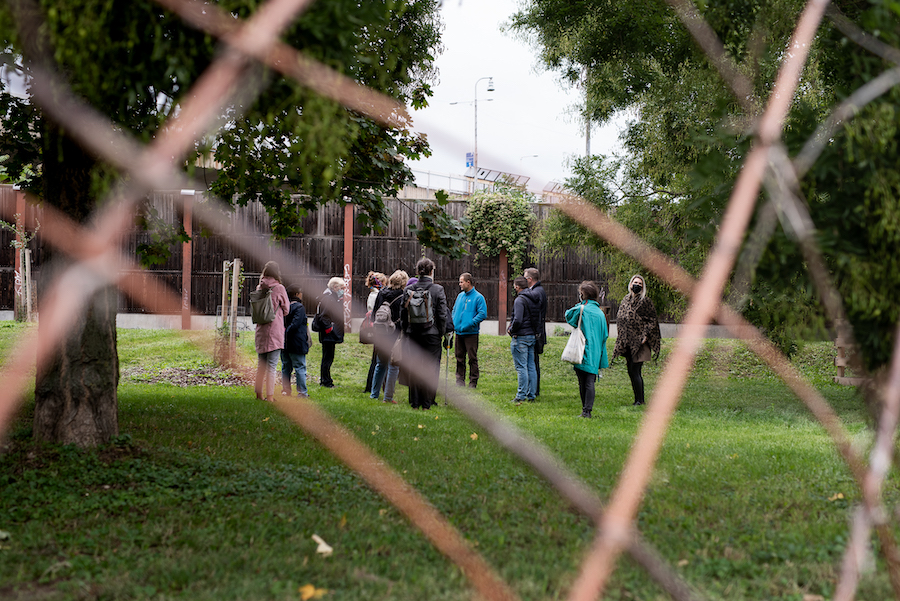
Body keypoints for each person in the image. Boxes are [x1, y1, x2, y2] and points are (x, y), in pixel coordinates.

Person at [400, 258, 452, 409]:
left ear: (417, 272)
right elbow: (442, 315)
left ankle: (415, 403)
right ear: (431, 271)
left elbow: (402, 313)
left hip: (413, 333)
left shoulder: (408, 290)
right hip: (432, 334)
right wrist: (440, 333)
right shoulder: (438, 290)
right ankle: (427, 403)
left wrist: (406, 330)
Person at [612, 274, 661, 406]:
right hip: (627, 341)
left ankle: (640, 400)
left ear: (643, 287)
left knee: (636, 370)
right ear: (630, 284)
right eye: (635, 283)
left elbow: (652, 320)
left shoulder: (645, 301)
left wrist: (645, 335)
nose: (637, 285)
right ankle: (637, 399)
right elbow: (621, 316)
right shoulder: (625, 300)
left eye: (640, 284)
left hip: (640, 343)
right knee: (630, 370)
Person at [565, 281, 609, 418]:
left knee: (583, 381)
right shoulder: (601, 313)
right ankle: (586, 410)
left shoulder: (582, 310)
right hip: (596, 351)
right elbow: (605, 334)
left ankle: (586, 410)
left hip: (581, 349)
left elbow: (568, 316)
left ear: (583, 295)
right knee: (590, 381)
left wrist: (580, 306)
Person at [370, 270, 408, 403]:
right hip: (395, 334)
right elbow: (404, 316)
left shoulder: (381, 293)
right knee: (394, 365)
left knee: (380, 364)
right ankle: (388, 397)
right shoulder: (403, 296)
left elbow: (374, 313)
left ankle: (374, 395)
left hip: (380, 332)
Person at [254, 261, 290, 402]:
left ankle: (258, 394)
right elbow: (287, 309)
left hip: (261, 329)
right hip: (274, 329)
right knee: (272, 366)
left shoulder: (259, 287)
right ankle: (269, 397)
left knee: (261, 365)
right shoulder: (279, 288)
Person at [508, 276, 541, 404]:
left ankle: (521, 395)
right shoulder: (534, 298)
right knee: (531, 366)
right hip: (531, 335)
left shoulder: (519, 300)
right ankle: (531, 394)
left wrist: (511, 329)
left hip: (520, 336)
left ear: (517, 286)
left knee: (521, 367)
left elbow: (518, 319)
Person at [452, 272, 487, 388]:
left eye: (461, 282)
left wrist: (470, 323)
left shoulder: (478, 297)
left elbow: (482, 314)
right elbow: (454, 310)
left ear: (468, 282)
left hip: (471, 333)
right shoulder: (460, 296)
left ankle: (473, 381)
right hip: (459, 332)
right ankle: (460, 381)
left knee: (472, 358)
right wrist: (454, 322)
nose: (460, 284)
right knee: (459, 357)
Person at [316, 276, 346, 388]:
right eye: (342, 288)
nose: (343, 290)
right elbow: (324, 317)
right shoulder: (329, 299)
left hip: (330, 334)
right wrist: (330, 329)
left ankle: (326, 380)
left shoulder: (332, 298)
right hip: (329, 334)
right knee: (327, 358)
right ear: (335, 287)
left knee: (328, 357)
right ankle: (326, 381)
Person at [281, 284, 311, 397]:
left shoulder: (284, 306)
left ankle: (286, 390)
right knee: (300, 367)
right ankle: (302, 392)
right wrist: (288, 331)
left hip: (284, 342)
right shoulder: (299, 307)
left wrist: (284, 334)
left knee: (286, 367)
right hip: (297, 343)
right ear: (297, 294)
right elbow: (296, 324)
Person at [524, 267, 548, 397]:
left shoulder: (536, 292)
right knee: (533, 361)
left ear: (530, 279)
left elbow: (536, 313)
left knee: (532, 362)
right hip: (537, 331)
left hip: (535, 332)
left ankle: (534, 389)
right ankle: (533, 388)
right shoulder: (538, 291)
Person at [363, 271, 387, 394]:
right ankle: (371, 386)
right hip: (378, 327)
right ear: (381, 283)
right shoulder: (377, 295)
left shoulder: (373, 294)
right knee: (376, 360)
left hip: (375, 327)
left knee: (376, 359)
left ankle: (371, 385)